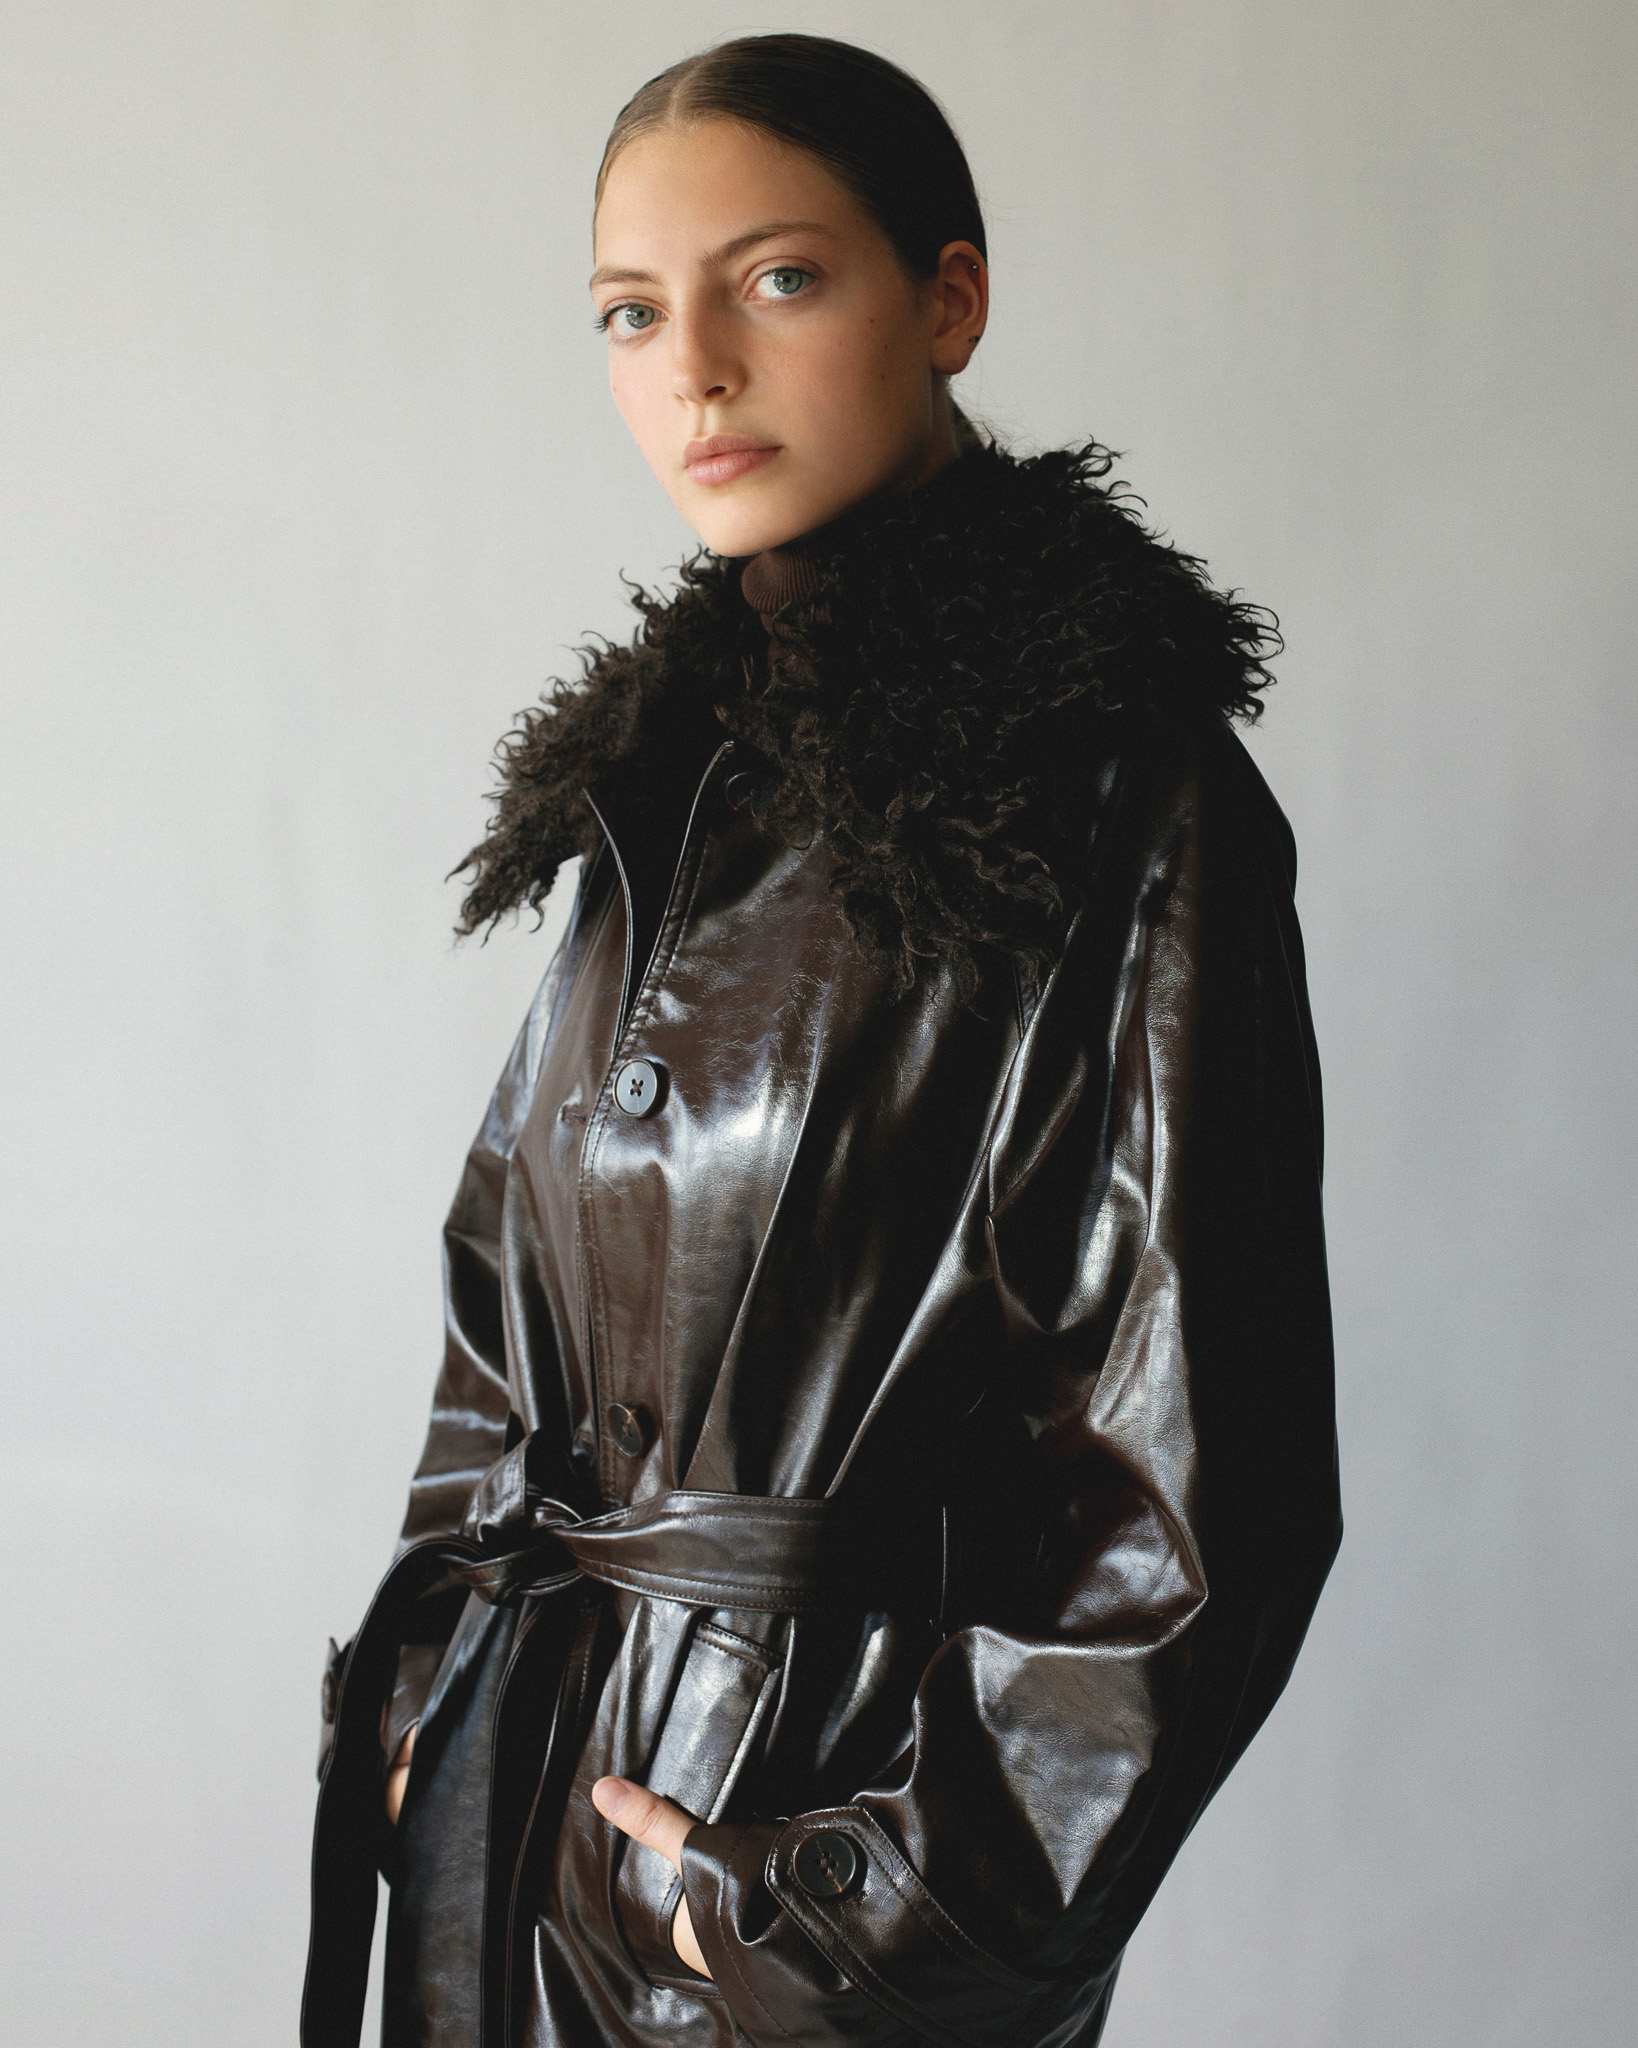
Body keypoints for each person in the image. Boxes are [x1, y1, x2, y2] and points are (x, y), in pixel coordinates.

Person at [302, 32, 1341, 2048]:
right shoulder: (659, 789)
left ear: (947, 299)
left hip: (787, 1900)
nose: (693, 368)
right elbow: (502, 1317)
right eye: (630, 311)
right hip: (514, 1833)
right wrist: (434, 1711)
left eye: (775, 278)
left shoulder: (1111, 795)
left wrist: (837, 1915)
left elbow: (1201, 1495)